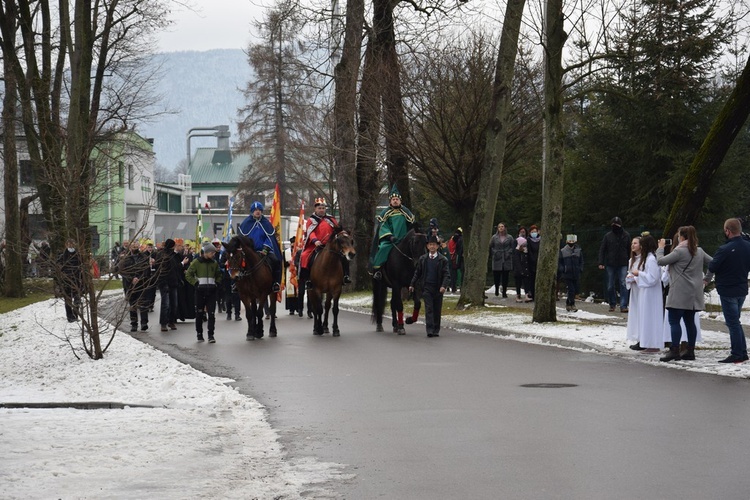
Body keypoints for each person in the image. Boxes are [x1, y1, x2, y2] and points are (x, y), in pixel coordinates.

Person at [656, 226, 713, 362]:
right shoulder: (699, 251)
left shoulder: (680, 251)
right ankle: (690, 350)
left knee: (674, 321)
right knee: (689, 322)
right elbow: (713, 263)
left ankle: (674, 350)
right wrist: (706, 280)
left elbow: (660, 261)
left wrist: (660, 248)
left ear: (681, 236)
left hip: (679, 292)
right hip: (694, 293)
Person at [707, 218, 750, 363]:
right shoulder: (747, 246)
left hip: (727, 289)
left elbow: (712, 266)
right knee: (735, 322)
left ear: (727, 231)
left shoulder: (724, 249)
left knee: (732, 323)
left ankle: (737, 353)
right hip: (742, 288)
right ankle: (742, 352)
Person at [300, 198, 350, 288]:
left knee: (344, 255)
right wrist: (315, 241)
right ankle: (307, 280)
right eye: (319, 208)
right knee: (304, 256)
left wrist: (343, 233)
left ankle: (346, 275)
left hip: (331, 244)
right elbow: (310, 232)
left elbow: (338, 229)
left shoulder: (330, 218)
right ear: (315, 209)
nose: (321, 210)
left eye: (323, 208)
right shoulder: (311, 220)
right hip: (316, 245)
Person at [625, 235, 662, 352]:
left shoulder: (651, 259)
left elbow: (653, 278)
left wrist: (638, 274)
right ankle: (645, 340)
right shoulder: (647, 259)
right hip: (645, 292)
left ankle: (650, 342)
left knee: (649, 317)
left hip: (650, 293)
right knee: (645, 317)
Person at [409, 234, 451, 337]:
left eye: (434, 245)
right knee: (429, 308)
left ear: (437, 247)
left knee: (437, 309)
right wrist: (412, 284)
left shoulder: (443, 260)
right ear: (427, 246)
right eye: (430, 245)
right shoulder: (423, 259)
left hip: (438, 287)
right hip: (427, 287)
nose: (432, 247)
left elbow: (447, 275)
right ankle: (430, 329)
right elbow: (417, 273)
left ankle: (436, 329)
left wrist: (443, 286)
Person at [370, 185, 415, 280]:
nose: (395, 200)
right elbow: (383, 226)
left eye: (397, 199)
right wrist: (390, 236)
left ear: (400, 201)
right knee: (382, 248)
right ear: (390, 201)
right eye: (393, 199)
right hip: (390, 240)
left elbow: (411, 224)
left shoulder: (406, 212)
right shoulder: (385, 213)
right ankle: (378, 270)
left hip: (404, 239)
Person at [238, 201, 282, 292]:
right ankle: (236, 284)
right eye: (255, 210)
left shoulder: (266, 223)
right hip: (250, 251)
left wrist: (265, 249)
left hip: (264, 251)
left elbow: (269, 238)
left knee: (276, 260)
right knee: (238, 262)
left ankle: (275, 283)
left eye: (259, 210)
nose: (257, 211)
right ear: (252, 211)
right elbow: (243, 239)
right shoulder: (246, 223)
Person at [185, 242, 223, 343]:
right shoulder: (196, 262)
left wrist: (217, 283)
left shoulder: (214, 263)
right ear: (206, 253)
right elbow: (188, 275)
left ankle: (211, 335)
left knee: (211, 314)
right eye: (212, 253)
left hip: (211, 292)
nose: (213, 255)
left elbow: (219, 275)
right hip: (199, 292)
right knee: (199, 314)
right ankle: (199, 334)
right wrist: (195, 283)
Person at [598, 217, 632, 312]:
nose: (615, 227)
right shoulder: (608, 236)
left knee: (623, 283)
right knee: (610, 285)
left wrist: (631, 262)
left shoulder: (626, 235)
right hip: (610, 263)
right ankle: (612, 303)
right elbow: (602, 249)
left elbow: (630, 249)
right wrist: (601, 262)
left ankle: (623, 305)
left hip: (623, 263)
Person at [120, 241, 150, 332]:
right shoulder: (125, 258)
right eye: (133, 246)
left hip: (141, 283)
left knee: (143, 303)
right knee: (132, 304)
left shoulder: (143, 257)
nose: (134, 247)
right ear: (129, 247)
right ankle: (134, 323)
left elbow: (146, 270)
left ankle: (144, 323)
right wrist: (132, 279)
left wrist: (139, 278)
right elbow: (122, 271)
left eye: (136, 245)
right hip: (129, 285)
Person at [153, 238, 179, 332]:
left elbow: (176, 268)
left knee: (174, 304)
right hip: (164, 282)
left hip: (173, 282)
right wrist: (163, 282)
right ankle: (163, 323)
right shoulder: (162, 255)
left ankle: (171, 321)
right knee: (166, 304)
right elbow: (159, 269)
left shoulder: (173, 255)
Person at [57, 238, 83, 322]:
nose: (70, 246)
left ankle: (76, 315)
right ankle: (70, 316)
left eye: (72, 244)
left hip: (76, 279)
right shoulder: (63, 256)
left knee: (77, 298)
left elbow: (82, 266)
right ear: (66, 245)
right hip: (66, 280)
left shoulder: (78, 255)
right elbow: (58, 267)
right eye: (69, 244)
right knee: (68, 299)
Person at [558, 234, 584, 312]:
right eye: (570, 241)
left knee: (575, 289)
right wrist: (563, 269)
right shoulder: (563, 251)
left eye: (573, 241)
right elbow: (560, 262)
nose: (571, 242)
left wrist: (580, 269)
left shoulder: (578, 251)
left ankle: (568, 303)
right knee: (571, 289)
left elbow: (581, 261)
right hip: (567, 273)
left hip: (576, 273)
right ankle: (572, 304)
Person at [490, 222, 515, 298]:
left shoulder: (510, 237)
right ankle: (497, 289)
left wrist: (509, 253)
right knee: (496, 276)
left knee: (505, 276)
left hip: (506, 258)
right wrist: (494, 253)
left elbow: (512, 246)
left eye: (502, 226)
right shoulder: (494, 237)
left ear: (505, 228)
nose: (501, 228)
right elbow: (491, 246)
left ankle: (504, 292)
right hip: (497, 258)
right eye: (499, 227)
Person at [512, 237, 533, 303]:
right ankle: (518, 295)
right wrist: (520, 270)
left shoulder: (525, 251)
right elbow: (517, 262)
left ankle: (527, 295)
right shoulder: (516, 252)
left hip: (525, 270)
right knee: (518, 283)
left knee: (526, 283)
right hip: (518, 271)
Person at [526, 225, 541, 301]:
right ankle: (532, 293)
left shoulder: (541, 240)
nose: (534, 233)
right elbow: (529, 251)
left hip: (539, 261)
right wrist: (533, 259)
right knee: (532, 279)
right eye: (532, 232)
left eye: (535, 231)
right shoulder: (528, 240)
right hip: (531, 262)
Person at [447, 228, 464, 293]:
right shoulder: (460, 239)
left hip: (453, 257)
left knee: (453, 273)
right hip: (456, 257)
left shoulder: (452, 240)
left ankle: (452, 286)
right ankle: (458, 286)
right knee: (460, 273)